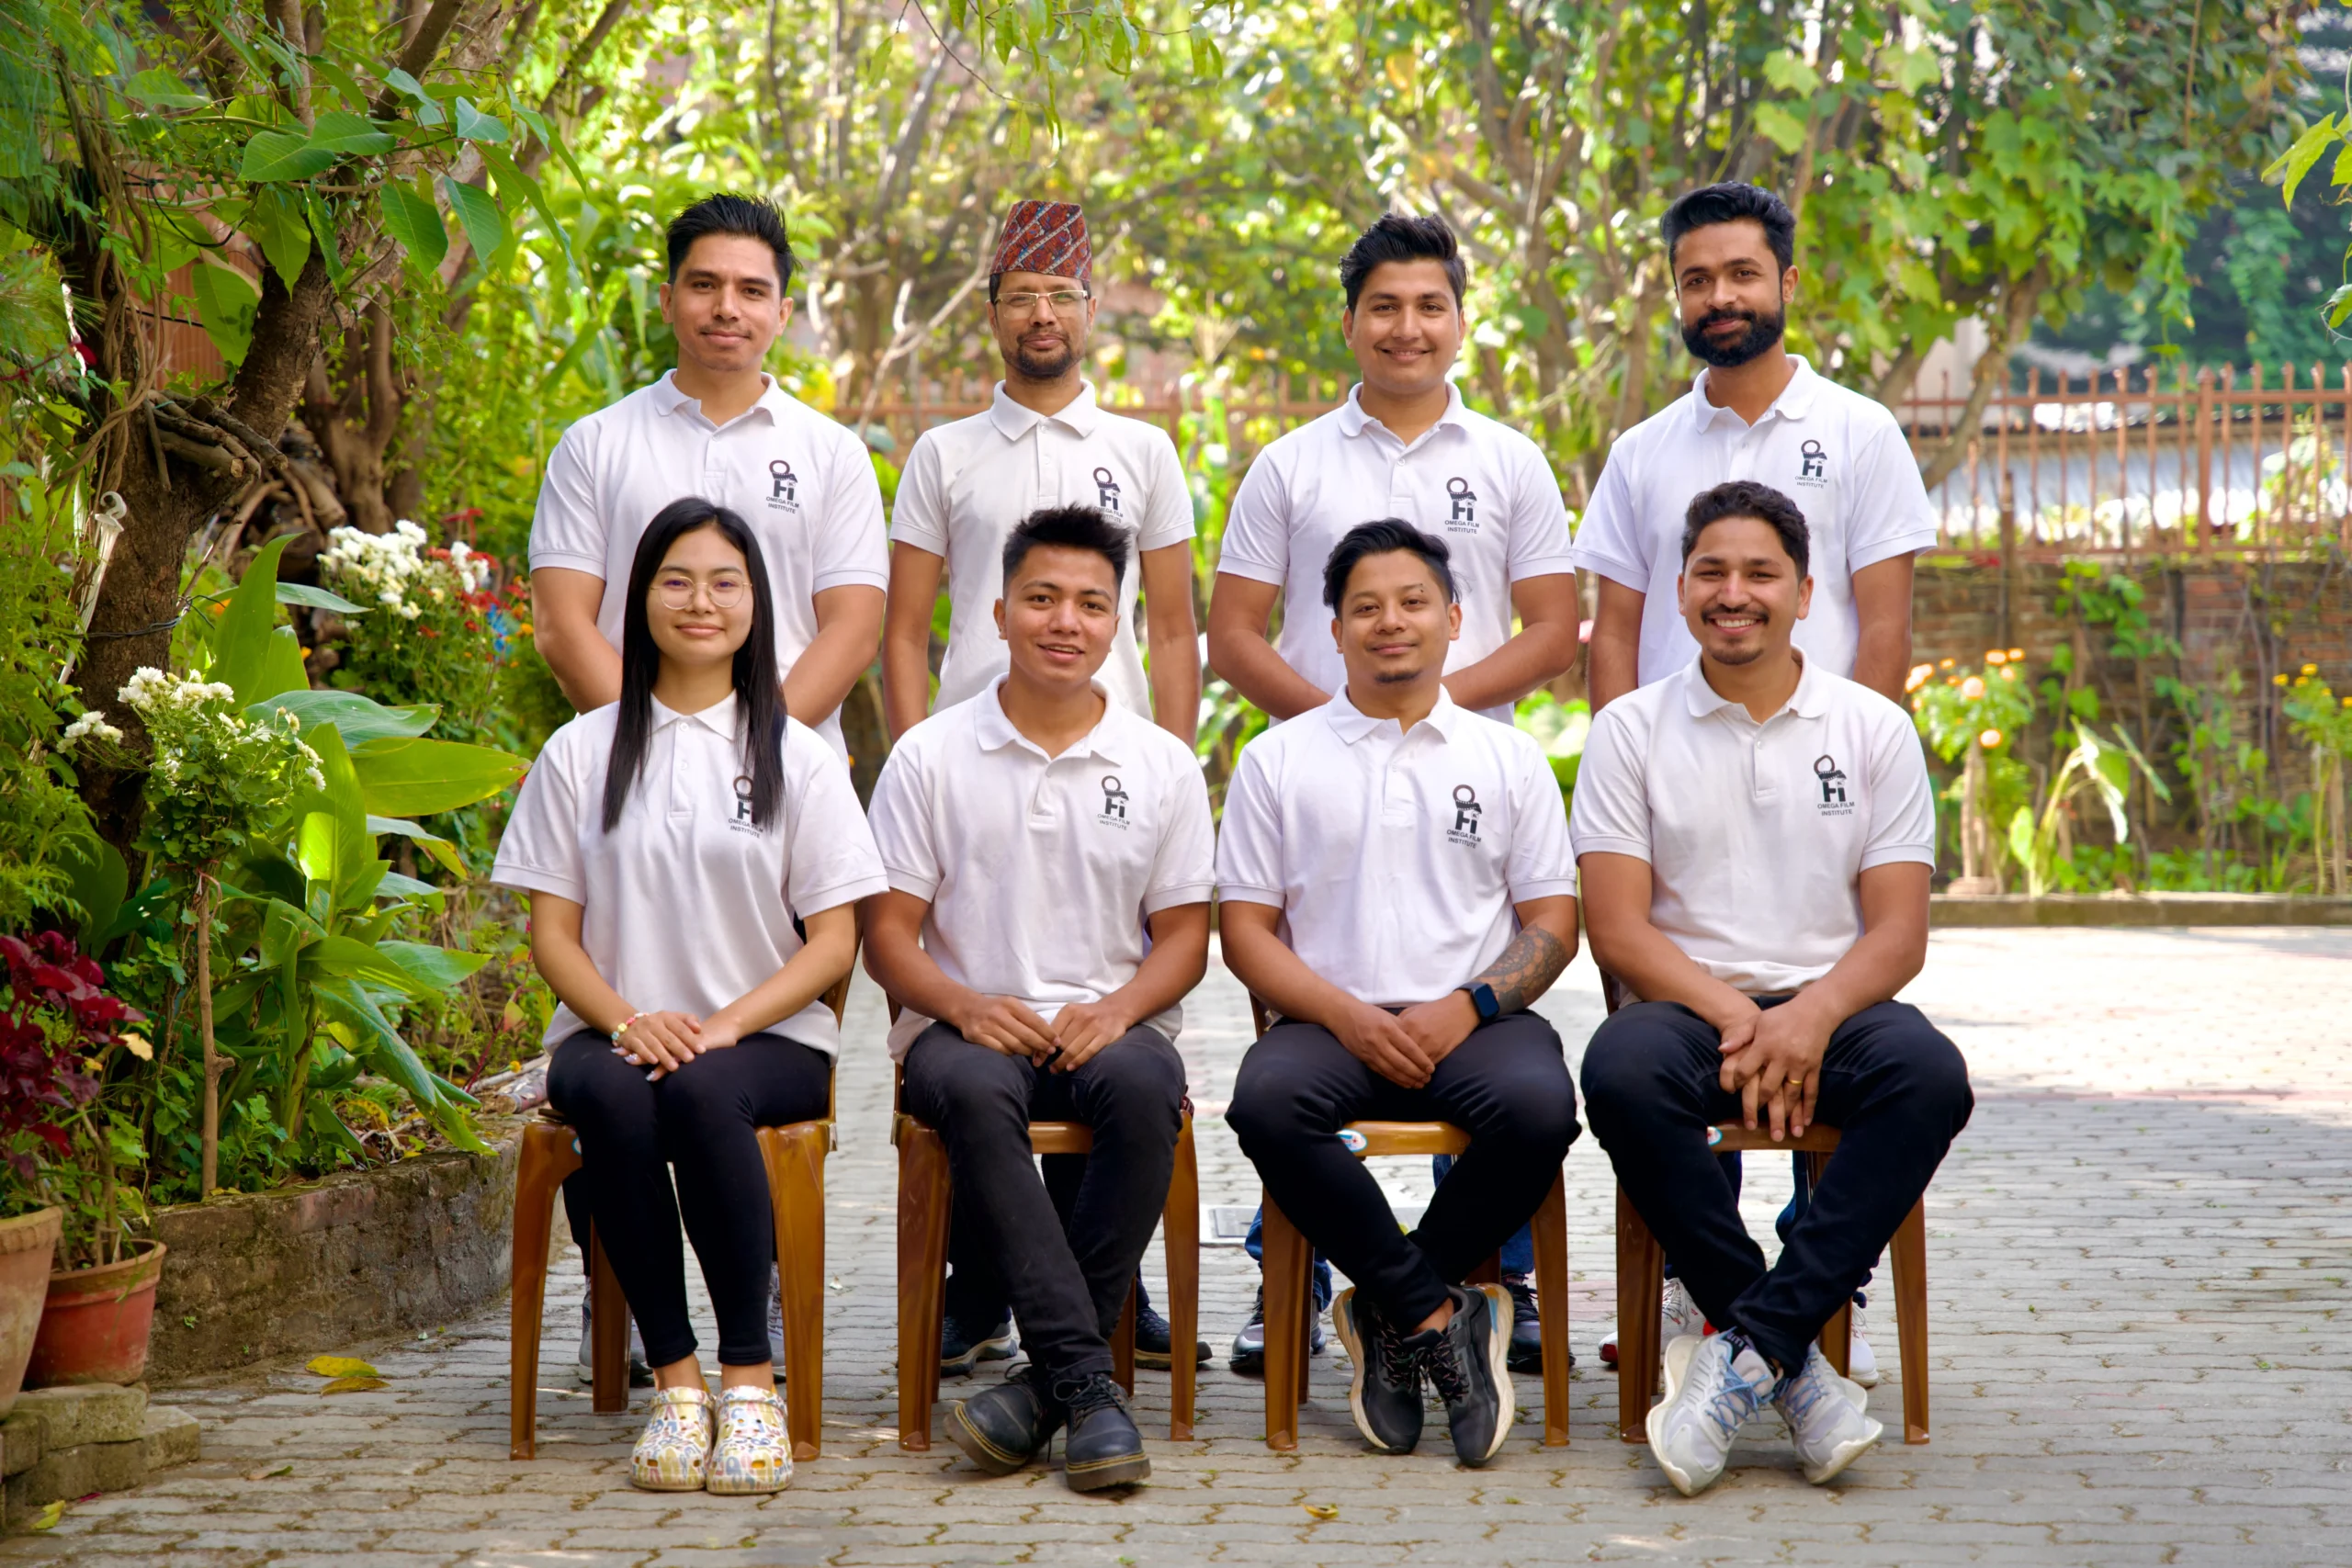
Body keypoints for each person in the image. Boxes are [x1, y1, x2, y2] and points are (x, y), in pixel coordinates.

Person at [1573, 183, 1939, 1381]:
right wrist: (1635, 778)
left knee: (1868, 1054)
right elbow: (1613, 636)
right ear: (1676, 293)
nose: (1719, 297)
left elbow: (1878, 630)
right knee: (1658, 1067)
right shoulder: (1644, 452)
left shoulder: (1862, 431)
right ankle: (1712, 1297)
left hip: (1821, 804)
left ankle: (1814, 1290)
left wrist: (1849, 761)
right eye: (1696, 278)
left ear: (1788, 284)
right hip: (1678, 806)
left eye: (1741, 274)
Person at [1205, 212, 1579, 1372]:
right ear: (1352, 321)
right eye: (1384, 306)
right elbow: (1232, 634)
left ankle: (1473, 1287)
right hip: (1322, 793)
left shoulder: (1509, 459)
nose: (1407, 327)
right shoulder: (1291, 463)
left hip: (1471, 805)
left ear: (1461, 318)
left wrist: (1429, 708)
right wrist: (1343, 728)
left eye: (1430, 306)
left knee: (1507, 1077)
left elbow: (1557, 627)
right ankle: (1303, 1284)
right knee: (1293, 1070)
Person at [528, 194, 888, 1376]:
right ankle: (624, 1295)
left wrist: (750, 733)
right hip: (629, 774)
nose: (725, 307)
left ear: (781, 307)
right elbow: (565, 616)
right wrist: (640, 740)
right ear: (670, 293)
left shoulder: (828, 452)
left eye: (750, 289)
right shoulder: (600, 444)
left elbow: (852, 619)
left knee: (731, 1062)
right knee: (619, 1068)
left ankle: (750, 1302)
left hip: (776, 785)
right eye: (703, 284)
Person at [1572, 479, 1972, 1495]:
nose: (1733, 592)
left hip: (1836, 1005)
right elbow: (1617, 927)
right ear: (1678, 590)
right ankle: (1794, 1368)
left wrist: (1811, 1017)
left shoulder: (1872, 727)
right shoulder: (1629, 728)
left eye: (1759, 573)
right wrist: (1747, 1019)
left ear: (1803, 591)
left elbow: (1898, 930)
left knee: (1928, 1076)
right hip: (1690, 1008)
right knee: (1617, 1069)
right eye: (1711, 571)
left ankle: (1749, 1351)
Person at [493, 499, 888, 1495]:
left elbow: (834, 940)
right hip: (608, 1028)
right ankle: (676, 1385)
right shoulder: (581, 752)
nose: (699, 602)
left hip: (764, 1036)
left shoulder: (796, 754)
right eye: (676, 579)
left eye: (724, 581)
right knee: (619, 1092)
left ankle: (748, 1380)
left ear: (756, 604)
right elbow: (553, 935)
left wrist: (721, 1025)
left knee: (706, 1090)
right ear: (641, 599)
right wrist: (630, 1019)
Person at [880, 200, 1204, 1376]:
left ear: (1088, 313)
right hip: (969, 770)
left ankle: (1073, 1289)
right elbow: (905, 630)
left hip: (1106, 765)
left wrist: (1163, 756)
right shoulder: (943, 453)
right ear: (994, 313)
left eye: (1061, 296)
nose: (1041, 313)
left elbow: (1172, 628)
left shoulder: (1144, 453)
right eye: (1020, 294)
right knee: (977, 1028)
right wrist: (924, 759)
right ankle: (991, 1296)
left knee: (1093, 1027)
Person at [864, 505, 1216, 1492]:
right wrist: (965, 1006)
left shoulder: (1161, 764)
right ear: (998, 611)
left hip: (1109, 1024)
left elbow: (1185, 936)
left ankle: (1047, 1388)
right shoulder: (930, 756)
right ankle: (1086, 1383)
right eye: (1042, 598)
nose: (1066, 620)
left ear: (1120, 623)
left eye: (1092, 604)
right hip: (964, 1028)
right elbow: (886, 935)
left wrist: (1118, 1009)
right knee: (976, 1092)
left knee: (1149, 1090)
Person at [1219, 521, 1581, 1467]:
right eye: (1365, 607)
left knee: (1542, 1110)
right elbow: (1244, 932)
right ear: (1331, 628)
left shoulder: (1506, 758)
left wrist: (1467, 1006)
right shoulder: (1278, 760)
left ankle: (1384, 1308)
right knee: (1263, 1102)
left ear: (1454, 620)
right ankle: (1433, 1310)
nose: (1391, 622)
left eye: (1413, 602)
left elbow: (1553, 919)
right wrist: (1344, 1013)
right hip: (1327, 1022)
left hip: (1474, 1020)